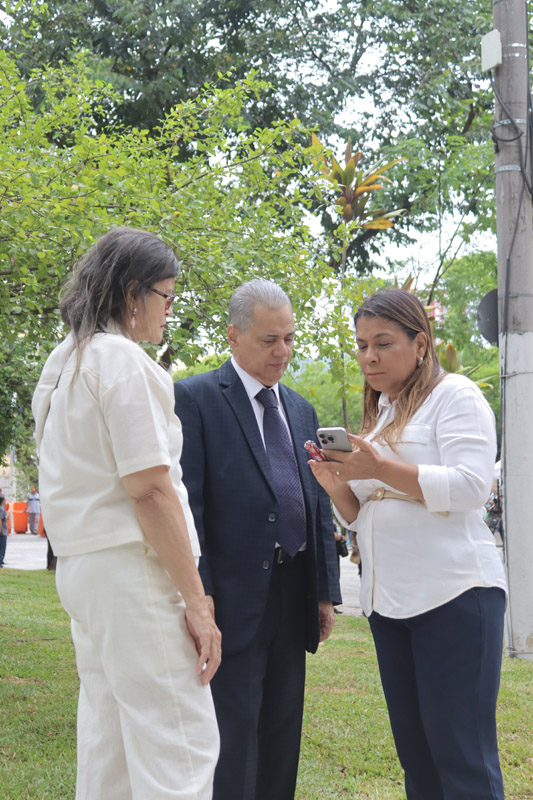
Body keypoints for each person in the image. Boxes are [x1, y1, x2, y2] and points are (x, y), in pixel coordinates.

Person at [32, 227, 221, 800]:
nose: (170, 311)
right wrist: (196, 601)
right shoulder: (121, 361)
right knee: (179, 747)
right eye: (167, 296)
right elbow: (150, 491)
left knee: (108, 743)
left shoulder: (64, 362)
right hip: (133, 572)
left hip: (85, 571)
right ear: (133, 294)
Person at [308, 288, 508, 800]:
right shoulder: (382, 414)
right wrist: (336, 486)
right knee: (417, 757)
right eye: (360, 345)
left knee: (460, 753)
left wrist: (378, 468)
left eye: (382, 342)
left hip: (455, 595)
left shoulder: (457, 395)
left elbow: (469, 486)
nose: (368, 356)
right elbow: (362, 513)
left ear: (420, 344)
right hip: (389, 601)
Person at [173, 278, 341, 800]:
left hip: (292, 597)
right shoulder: (196, 398)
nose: (283, 351)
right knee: (234, 736)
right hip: (232, 598)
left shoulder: (301, 409)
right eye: (270, 340)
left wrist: (323, 591)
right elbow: (190, 507)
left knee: (281, 735)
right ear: (233, 336)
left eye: (289, 338)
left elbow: (315, 503)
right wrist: (200, 594)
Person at [0, 494, 7, 568]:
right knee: (2, 547)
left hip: (4, 530)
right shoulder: (1, 509)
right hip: (2, 531)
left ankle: (1, 560)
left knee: (2, 547)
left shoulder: (3, 508)